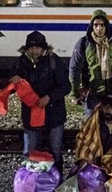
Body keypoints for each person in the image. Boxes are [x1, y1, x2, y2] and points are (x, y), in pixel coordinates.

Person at [8, 30, 70, 170]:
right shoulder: (20, 63)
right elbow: (8, 86)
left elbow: (66, 86)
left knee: (55, 153)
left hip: (54, 115)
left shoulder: (54, 61)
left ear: (44, 48)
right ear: (26, 48)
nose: (34, 51)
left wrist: (49, 97)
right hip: (31, 116)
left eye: (37, 48)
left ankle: (56, 183)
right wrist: (12, 81)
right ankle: (29, 185)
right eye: (31, 48)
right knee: (29, 152)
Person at [68, 9, 112, 118]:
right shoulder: (84, 43)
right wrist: (75, 93)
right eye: (96, 25)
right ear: (91, 26)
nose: (99, 29)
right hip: (92, 92)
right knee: (92, 129)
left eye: (102, 25)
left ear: (106, 26)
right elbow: (75, 68)